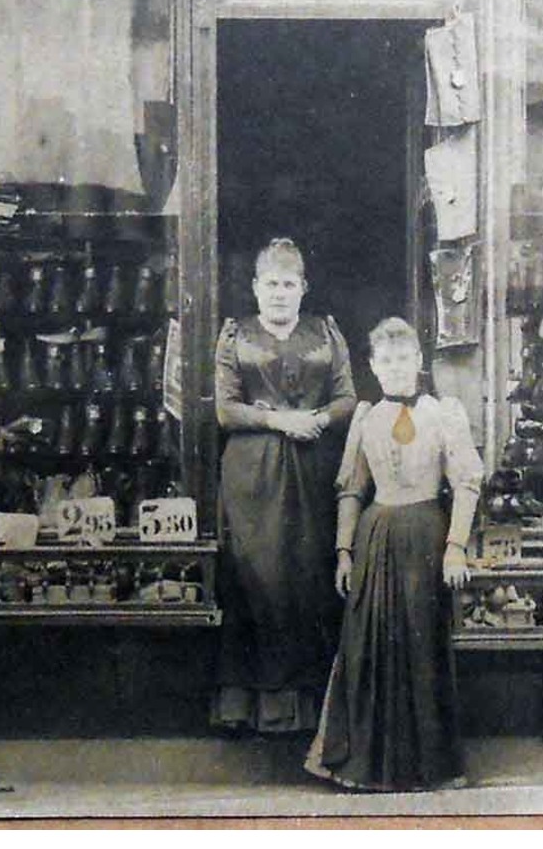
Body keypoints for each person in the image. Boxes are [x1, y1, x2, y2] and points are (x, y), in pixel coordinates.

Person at [305, 317, 482, 791]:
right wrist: (344, 550)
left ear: (419, 362)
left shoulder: (443, 412)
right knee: (368, 649)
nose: (396, 368)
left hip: (425, 536)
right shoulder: (367, 417)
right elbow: (352, 489)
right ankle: (364, 765)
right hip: (375, 538)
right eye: (386, 360)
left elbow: (465, 483)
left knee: (421, 648)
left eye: (404, 358)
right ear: (373, 366)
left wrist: (455, 548)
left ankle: (429, 767)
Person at [212, 237, 357, 733]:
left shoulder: (327, 334)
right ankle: (255, 705)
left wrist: (315, 418)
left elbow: (348, 399)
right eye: (270, 284)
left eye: (288, 284)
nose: (279, 293)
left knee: (311, 579)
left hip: (315, 471)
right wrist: (279, 422)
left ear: (303, 288)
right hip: (253, 479)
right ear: (255, 287)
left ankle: (310, 708)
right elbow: (226, 410)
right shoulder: (235, 336)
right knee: (259, 579)